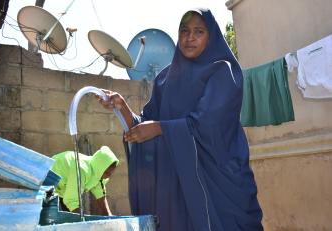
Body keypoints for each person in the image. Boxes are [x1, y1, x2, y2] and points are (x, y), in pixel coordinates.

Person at [98, 8, 263, 231]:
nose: (190, 37)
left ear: (211, 36)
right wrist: (122, 107)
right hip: (174, 184)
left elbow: (210, 124)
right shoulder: (165, 78)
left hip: (218, 184)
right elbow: (146, 126)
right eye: (184, 31)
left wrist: (160, 128)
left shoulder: (223, 72)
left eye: (199, 31)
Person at [51, 146, 119, 216]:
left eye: (110, 173)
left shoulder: (98, 173)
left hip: (63, 187)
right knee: (49, 216)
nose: (108, 176)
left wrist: (108, 216)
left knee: (70, 218)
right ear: (100, 168)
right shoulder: (82, 170)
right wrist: (83, 222)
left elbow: (100, 194)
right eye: (107, 173)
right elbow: (71, 200)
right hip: (48, 177)